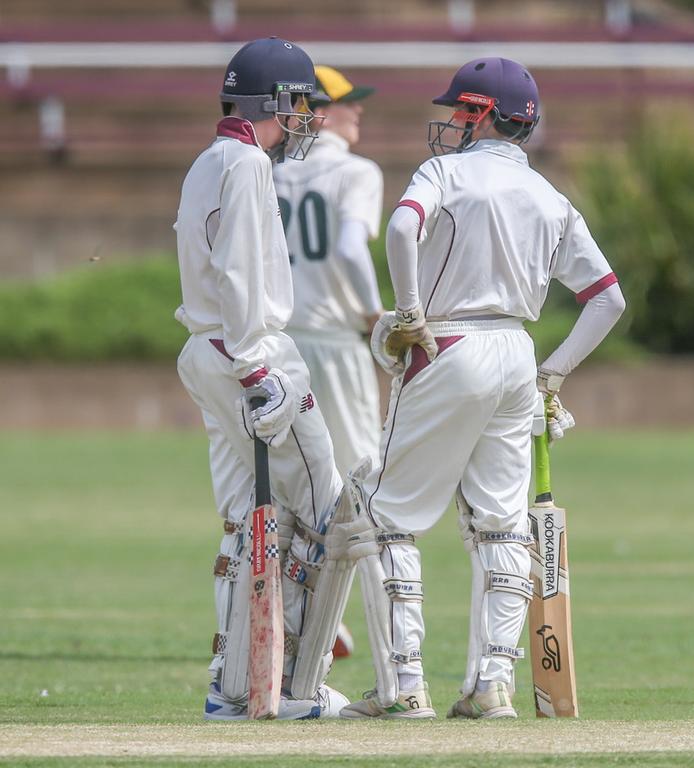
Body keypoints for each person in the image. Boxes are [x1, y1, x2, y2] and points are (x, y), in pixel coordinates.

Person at [339, 57, 625, 719]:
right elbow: (607, 299)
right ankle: (490, 684)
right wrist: (553, 374)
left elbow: (404, 227)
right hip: (517, 356)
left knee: (386, 519)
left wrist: (409, 313)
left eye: (458, 111)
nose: (449, 123)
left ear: (481, 111)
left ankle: (403, 686)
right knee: (500, 527)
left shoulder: (444, 172)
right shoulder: (552, 197)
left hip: (449, 344)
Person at [174, 37, 350, 720]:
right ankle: (295, 684)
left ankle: (235, 685)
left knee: (244, 521)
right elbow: (241, 267)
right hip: (253, 354)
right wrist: (257, 368)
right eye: (300, 103)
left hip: (204, 350)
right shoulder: (248, 162)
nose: (305, 118)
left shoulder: (205, 160)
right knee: (330, 512)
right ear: (274, 103)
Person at [273, 65, 385, 479]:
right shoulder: (358, 171)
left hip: (283, 346)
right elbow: (351, 249)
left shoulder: (273, 173)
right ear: (319, 111)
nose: (358, 110)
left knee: (297, 480)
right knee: (362, 473)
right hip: (337, 343)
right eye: (347, 102)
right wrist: (375, 315)